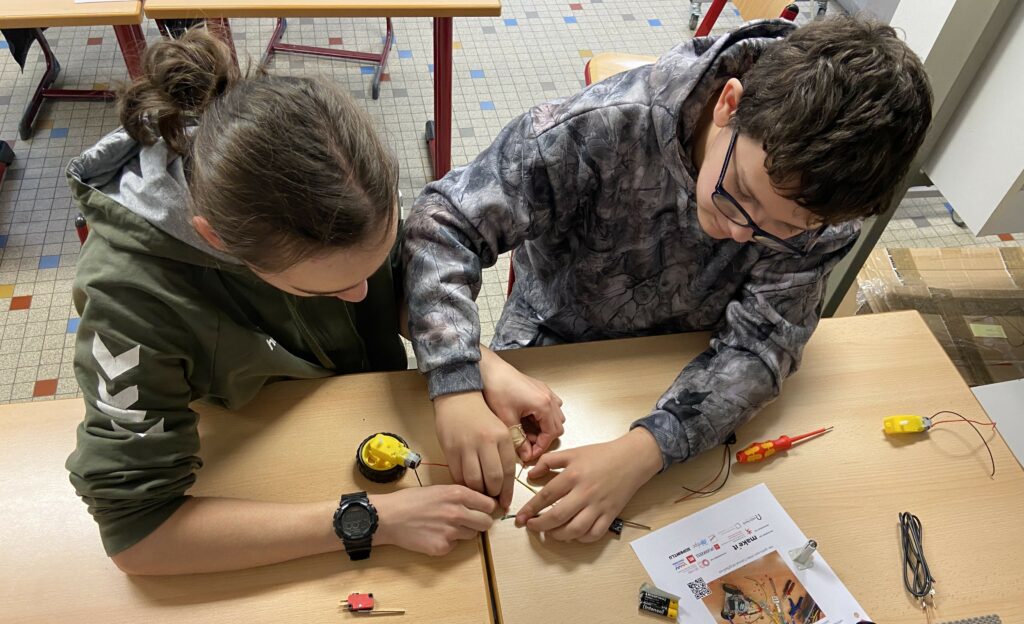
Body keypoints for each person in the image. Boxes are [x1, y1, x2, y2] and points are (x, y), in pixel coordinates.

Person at [402, 15, 933, 543]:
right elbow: (441, 227)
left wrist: (645, 451)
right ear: (728, 104)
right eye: (741, 193)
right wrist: (457, 379)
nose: (741, 233)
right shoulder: (602, 126)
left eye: (784, 230)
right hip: (549, 342)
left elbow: (763, 344)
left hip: (690, 365)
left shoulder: (828, 206)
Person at [65, 28, 561, 575]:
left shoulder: (345, 183)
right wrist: (369, 519)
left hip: (356, 408)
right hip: (264, 461)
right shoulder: (128, 301)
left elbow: (398, 288)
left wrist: (470, 365)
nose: (365, 295)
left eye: (374, 264)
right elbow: (137, 533)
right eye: (326, 290)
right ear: (217, 240)